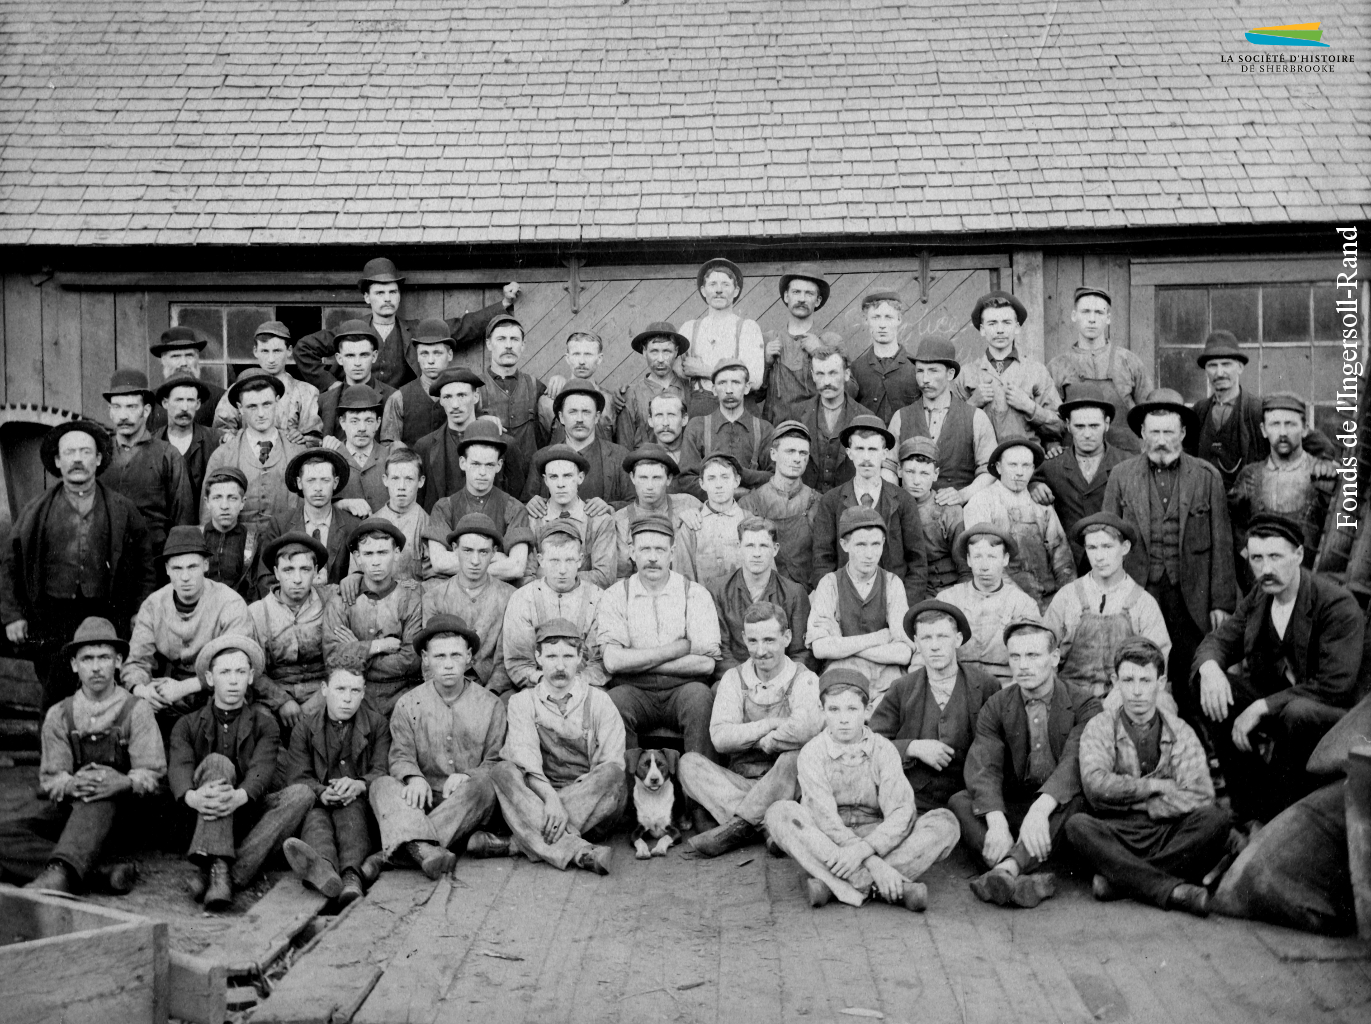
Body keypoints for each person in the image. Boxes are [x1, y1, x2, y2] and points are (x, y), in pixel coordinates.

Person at [1192, 514, 1364, 824]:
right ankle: (1249, 806)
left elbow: (1334, 686)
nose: (1266, 569)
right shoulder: (1261, 595)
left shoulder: (1336, 604)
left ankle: (1284, 813)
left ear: (1298, 555)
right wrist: (1210, 670)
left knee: (1297, 712)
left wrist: (1262, 705)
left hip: (1330, 716)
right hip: (1280, 706)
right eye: (1257, 558)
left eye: (1275, 556)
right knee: (1208, 686)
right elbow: (1219, 640)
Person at [764, 668, 961, 911]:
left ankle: (832, 885)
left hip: (876, 835)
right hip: (829, 841)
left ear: (866, 711)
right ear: (822, 711)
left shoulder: (883, 749)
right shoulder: (812, 753)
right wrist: (873, 863)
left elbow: (901, 812)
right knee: (778, 813)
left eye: (852, 709)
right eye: (834, 710)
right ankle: (886, 883)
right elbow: (824, 819)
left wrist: (865, 848)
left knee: (945, 823)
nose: (843, 719)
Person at [1066, 637, 1231, 918]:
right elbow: (1096, 786)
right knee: (1078, 825)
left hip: (1168, 831)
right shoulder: (1100, 727)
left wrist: (1145, 805)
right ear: (1115, 680)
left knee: (1216, 819)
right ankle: (1174, 890)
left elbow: (1201, 793)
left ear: (1161, 681)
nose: (1137, 691)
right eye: (1128, 680)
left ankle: (1120, 882)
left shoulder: (1181, 731)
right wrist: (1154, 786)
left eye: (1145, 680)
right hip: (1118, 831)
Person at [0, 618, 164, 893]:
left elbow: (153, 774)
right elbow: (52, 779)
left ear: (119, 661)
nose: (97, 667)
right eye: (87, 659)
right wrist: (72, 784)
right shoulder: (60, 714)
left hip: (122, 816)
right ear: (75, 665)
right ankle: (97, 873)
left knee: (99, 791)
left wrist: (122, 782)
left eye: (104, 657)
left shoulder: (137, 710)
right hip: (72, 810)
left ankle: (62, 873)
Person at [1102, 388, 1237, 724]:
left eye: (1168, 432)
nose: (1161, 440)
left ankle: (1200, 751)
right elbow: (1108, 538)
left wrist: (1221, 601)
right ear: (1142, 434)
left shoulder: (1206, 476)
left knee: (1192, 671)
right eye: (1154, 432)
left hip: (1191, 595)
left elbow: (1222, 542)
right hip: (1139, 591)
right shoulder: (1122, 476)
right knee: (1140, 669)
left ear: (1183, 433)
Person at [0, 420, 155, 707]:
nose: (77, 459)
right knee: (56, 694)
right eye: (69, 453)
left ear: (97, 459)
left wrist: (139, 611)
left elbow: (145, 566)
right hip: (51, 618)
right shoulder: (36, 511)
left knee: (105, 689)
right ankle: (55, 749)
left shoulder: (122, 510)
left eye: (85, 452)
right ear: (58, 461)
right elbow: (10, 563)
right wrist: (12, 616)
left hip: (106, 613)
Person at [951, 620, 1100, 908]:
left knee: (1077, 803)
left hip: (1055, 806)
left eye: (1033, 656)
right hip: (1015, 804)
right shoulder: (997, 704)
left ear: (1054, 659)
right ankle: (1025, 875)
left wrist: (1041, 809)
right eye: (1015, 657)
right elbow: (984, 764)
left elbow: (1074, 762)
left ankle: (1007, 870)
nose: (1023, 666)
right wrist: (995, 820)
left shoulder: (1085, 704)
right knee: (960, 800)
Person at [168, 634, 315, 909]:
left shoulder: (264, 725)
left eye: (240, 672)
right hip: (202, 812)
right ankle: (220, 872)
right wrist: (193, 798)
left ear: (250, 677)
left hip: (246, 811)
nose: (233, 680)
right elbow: (180, 767)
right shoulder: (187, 725)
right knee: (217, 763)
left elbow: (262, 769)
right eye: (225, 672)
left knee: (302, 794)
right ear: (211, 679)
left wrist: (240, 797)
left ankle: (223, 874)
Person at [679, 601, 823, 856]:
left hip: (787, 787)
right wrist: (769, 726)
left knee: (794, 758)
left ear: (786, 637)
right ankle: (766, 826)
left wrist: (771, 742)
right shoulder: (734, 679)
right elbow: (721, 738)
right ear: (744, 639)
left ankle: (738, 826)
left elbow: (807, 729)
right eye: (753, 641)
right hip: (742, 782)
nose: (761, 650)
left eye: (769, 640)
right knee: (688, 764)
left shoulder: (804, 678)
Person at [368, 614, 506, 879]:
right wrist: (413, 777)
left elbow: (496, 760)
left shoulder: (491, 705)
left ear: (469, 657)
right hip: (422, 800)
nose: (448, 665)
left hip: (465, 803)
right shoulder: (409, 704)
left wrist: (469, 775)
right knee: (381, 785)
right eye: (439, 657)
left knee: (484, 787)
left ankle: (400, 849)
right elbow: (400, 755)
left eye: (455, 656)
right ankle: (425, 849)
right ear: (426, 659)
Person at [489, 619, 625, 874]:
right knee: (502, 771)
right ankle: (579, 851)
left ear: (580, 658)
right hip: (542, 797)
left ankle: (520, 842)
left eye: (567, 656)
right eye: (551, 656)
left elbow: (610, 765)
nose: (560, 666)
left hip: (592, 810)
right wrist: (551, 799)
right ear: (538, 657)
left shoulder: (600, 702)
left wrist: (562, 805)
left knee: (613, 774)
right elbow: (526, 760)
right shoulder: (522, 702)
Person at [598, 513, 722, 774]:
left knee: (702, 700)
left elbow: (706, 663)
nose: (652, 557)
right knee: (613, 704)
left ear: (672, 552)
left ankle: (698, 801)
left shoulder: (694, 593)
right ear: (632, 551)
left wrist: (638, 660)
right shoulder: (616, 595)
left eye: (659, 550)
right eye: (644, 549)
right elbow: (613, 661)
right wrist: (675, 649)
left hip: (683, 688)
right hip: (634, 690)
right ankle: (628, 801)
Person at [293, 258, 517, 392]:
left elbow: (462, 326)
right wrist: (332, 384)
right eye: (380, 293)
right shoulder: (350, 331)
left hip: (400, 411)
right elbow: (303, 349)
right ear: (367, 298)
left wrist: (503, 304)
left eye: (392, 291)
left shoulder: (416, 330)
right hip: (357, 411)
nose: (387, 298)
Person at [121, 526, 254, 732]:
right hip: (166, 694)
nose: (185, 577)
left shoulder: (230, 603)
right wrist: (142, 689)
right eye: (177, 569)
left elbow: (234, 666)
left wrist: (184, 688)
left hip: (214, 693)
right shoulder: (153, 604)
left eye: (192, 567)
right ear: (166, 569)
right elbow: (136, 661)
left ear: (205, 565)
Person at [282, 659, 391, 905]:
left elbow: (382, 770)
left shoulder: (377, 725)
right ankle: (324, 870)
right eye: (340, 689)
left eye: (355, 691)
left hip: (359, 805)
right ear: (324, 689)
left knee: (350, 812)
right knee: (316, 818)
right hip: (320, 803)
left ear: (363, 693)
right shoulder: (305, 728)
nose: (347, 698)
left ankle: (352, 876)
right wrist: (320, 792)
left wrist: (360, 784)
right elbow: (297, 777)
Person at [869, 601, 993, 813]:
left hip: (969, 799)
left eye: (942, 636)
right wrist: (912, 747)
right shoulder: (902, 689)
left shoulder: (984, 686)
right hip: (912, 799)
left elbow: (997, 747)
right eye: (926, 638)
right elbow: (871, 742)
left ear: (958, 639)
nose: (934, 646)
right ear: (916, 642)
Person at [1044, 513, 1171, 707]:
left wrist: (1122, 693)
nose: (1099, 556)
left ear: (1125, 548)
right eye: (1092, 548)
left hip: (1124, 701)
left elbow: (1156, 665)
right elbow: (1044, 652)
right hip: (1068, 701)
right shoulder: (1067, 597)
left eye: (1107, 547)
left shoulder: (1144, 604)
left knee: (1164, 704)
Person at [807, 506, 918, 712]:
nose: (869, 554)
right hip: (842, 675)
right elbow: (821, 649)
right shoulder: (830, 583)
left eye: (876, 544)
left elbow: (903, 653)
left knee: (890, 718)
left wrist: (841, 644)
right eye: (861, 544)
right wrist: (879, 637)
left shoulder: (892, 583)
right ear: (844, 544)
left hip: (887, 677)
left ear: (884, 543)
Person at [811, 415, 928, 602]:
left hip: (893, 600)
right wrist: (836, 603)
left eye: (873, 449)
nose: (866, 458)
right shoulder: (831, 501)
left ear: (885, 453)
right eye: (860, 449)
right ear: (849, 453)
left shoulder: (903, 501)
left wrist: (902, 606)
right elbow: (822, 561)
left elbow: (917, 563)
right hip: (845, 601)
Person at [1227, 392, 1337, 588]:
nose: (1283, 432)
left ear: (1304, 429)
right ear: (1263, 430)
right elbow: (1231, 521)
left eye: (1290, 424)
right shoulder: (1250, 475)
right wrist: (1246, 552)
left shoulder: (1322, 474)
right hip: (1260, 585)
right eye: (1275, 424)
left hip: (1310, 585)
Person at [323, 518, 422, 716]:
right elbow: (332, 657)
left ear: (396, 554)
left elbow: (411, 660)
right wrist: (375, 647)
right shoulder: (342, 600)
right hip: (354, 694)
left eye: (383, 552)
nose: (376, 561)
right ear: (357, 558)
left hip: (399, 695)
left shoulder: (411, 599)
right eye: (368, 554)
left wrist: (355, 649)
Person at [962, 438, 1076, 610]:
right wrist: (1020, 603)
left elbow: (1061, 555)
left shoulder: (1041, 505)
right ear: (999, 468)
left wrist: (1066, 599)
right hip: (1002, 601)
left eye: (1025, 466)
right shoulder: (981, 503)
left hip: (1048, 599)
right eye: (1013, 465)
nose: (1019, 472)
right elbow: (986, 561)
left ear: (1032, 469)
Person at [1028, 383, 1130, 572]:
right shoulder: (1052, 466)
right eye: (1079, 426)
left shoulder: (1127, 465)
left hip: (1115, 564)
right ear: (1067, 425)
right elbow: (1028, 482)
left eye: (1094, 426)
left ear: (1107, 424)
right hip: (1069, 566)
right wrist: (1033, 486)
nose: (1087, 434)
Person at [101, 368, 196, 565]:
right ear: (110, 411)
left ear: (146, 411)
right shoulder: (98, 454)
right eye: (117, 407)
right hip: (105, 561)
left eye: (131, 407)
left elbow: (182, 519)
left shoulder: (168, 455)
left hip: (153, 562)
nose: (123, 415)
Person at [888, 337, 996, 506]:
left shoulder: (976, 418)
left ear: (950, 373)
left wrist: (962, 495)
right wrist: (899, 503)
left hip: (960, 514)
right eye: (920, 371)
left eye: (933, 371)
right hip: (911, 515)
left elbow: (989, 471)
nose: (925, 379)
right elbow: (889, 468)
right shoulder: (901, 417)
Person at [502, 520, 608, 692]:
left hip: (586, 687)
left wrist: (575, 684)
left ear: (580, 560)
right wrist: (544, 680)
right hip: (536, 685)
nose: (562, 570)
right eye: (554, 561)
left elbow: (599, 662)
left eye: (569, 560)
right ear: (541, 560)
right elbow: (518, 662)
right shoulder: (522, 598)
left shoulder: (599, 599)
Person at [200, 369, 310, 534]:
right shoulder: (223, 455)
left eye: (266, 404)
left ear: (278, 402)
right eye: (252, 406)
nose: (261, 414)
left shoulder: (297, 450)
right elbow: (208, 515)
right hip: (237, 547)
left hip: (286, 545)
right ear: (240, 408)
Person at [424, 419, 533, 584]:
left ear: (499, 465)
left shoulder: (514, 508)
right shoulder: (444, 507)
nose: (482, 472)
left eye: (489, 465)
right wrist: (496, 558)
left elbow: (516, 567)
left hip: (498, 595)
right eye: (475, 464)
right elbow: (440, 563)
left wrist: (460, 559)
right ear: (463, 463)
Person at [1047, 287, 1152, 455]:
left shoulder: (1129, 362)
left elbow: (1150, 414)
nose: (1092, 319)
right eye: (1086, 312)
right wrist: (1052, 447)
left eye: (1099, 312)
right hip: (1076, 461)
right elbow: (1051, 420)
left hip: (1126, 459)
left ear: (1108, 318)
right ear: (1074, 316)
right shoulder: (1058, 366)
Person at [935, 526, 1041, 686]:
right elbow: (927, 653)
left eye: (992, 556)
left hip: (1004, 687)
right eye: (977, 557)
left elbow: (1033, 661)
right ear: (969, 560)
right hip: (955, 685)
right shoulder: (948, 599)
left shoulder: (1023, 604)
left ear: (1005, 559)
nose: (984, 566)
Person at [424, 514, 516, 698]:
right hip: (445, 691)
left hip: (493, 691)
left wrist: (488, 695)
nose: (475, 561)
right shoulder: (434, 597)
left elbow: (505, 659)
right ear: (455, 549)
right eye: (467, 550)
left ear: (493, 552)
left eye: (483, 552)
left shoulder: (510, 596)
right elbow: (429, 661)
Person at [707, 517, 812, 678]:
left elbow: (801, 653)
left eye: (763, 546)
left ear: (775, 549)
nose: (757, 554)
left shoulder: (794, 593)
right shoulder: (718, 590)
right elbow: (722, 652)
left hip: (782, 680)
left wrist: (779, 681)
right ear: (739, 548)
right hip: (735, 679)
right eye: (750, 546)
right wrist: (748, 680)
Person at [248, 532, 331, 730]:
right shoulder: (258, 612)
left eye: (305, 569)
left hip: (323, 691)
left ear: (316, 571)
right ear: (276, 573)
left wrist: (320, 699)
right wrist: (281, 701)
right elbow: (253, 669)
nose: (297, 579)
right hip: (275, 694)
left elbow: (342, 658)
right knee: (260, 721)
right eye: (288, 570)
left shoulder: (330, 604)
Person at [959, 291, 1063, 447]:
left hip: (1025, 462)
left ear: (1017, 327)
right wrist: (973, 403)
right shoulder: (966, 374)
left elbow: (1059, 427)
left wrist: (1029, 407)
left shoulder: (1036, 372)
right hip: (979, 463)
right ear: (982, 329)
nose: (1000, 330)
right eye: (992, 323)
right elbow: (948, 428)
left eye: (1006, 322)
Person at [253, 450, 362, 596]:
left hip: (337, 608)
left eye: (325, 480)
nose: (318, 488)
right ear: (299, 483)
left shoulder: (352, 526)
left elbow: (361, 575)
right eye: (311, 480)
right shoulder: (280, 525)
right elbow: (265, 578)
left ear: (335, 483)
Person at [738, 420, 822, 586]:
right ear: (773, 454)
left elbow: (824, 558)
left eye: (803, 453)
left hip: (806, 597)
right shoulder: (750, 504)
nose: (797, 459)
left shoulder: (819, 503)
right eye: (790, 451)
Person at [524, 380, 633, 508]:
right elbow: (526, 504)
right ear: (562, 417)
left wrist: (611, 507)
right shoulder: (540, 458)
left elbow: (634, 503)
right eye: (573, 412)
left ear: (597, 417)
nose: (579, 419)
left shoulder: (619, 456)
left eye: (586, 412)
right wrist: (531, 505)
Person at [677, 257, 765, 413]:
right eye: (712, 284)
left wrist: (704, 371)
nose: (719, 290)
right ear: (704, 291)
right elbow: (678, 371)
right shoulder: (689, 328)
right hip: (701, 408)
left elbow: (755, 380)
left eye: (725, 284)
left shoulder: (748, 328)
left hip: (740, 408)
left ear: (735, 291)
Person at [212, 321, 322, 443]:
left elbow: (315, 439)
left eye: (277, 351)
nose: (271, 359)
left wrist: (302, 440)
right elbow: (220, 430)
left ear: (289, 351)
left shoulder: (306, 392)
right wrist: (230, 437)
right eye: (265, 351)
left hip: (291, 459)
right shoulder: (237, 390)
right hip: (247, 458)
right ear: (255, 351)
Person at [762, 265, 847, 423]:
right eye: (796, 292)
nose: (802, 299)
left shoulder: (831, 341)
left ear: (817, 300)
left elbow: (851, 390)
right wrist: (766, 363)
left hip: (816, 429)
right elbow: (755, 394)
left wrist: (821, 352)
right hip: (776, 430)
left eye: (809, 293)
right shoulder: (770, 339)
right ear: (787, 297)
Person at [523, 445, 617, 589]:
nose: (561, 484)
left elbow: (604, 577)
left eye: (567, 476)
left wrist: (547, 574)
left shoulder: (600, 520)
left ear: (580, 477)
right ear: (545, 480)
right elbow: (526, 578)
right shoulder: (533, 519)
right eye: (554, 477)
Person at [677, 360, 775, 496]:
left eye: (736, 382)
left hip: (753, 510)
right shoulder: (697, 427)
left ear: (747, 388)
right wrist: (728, 494)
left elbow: (775, 476)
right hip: (708, 511)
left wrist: (744, 475)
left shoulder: (765, 430)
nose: (729, 390)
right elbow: (686, 479)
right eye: (722, 383)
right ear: (713, 389)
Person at [789, 348, 876, 494]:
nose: (826, 381)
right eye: (820, 374)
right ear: (813, 376)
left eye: (833, 373)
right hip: (806, 503)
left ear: (847, 374)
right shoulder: (796, 414)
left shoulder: (866, 417)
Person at [611, 445, 701, 581]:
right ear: (632, 478)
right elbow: (621, 576)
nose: (649, 486)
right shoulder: (621, 520)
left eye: (657, 478)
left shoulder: (688, 504)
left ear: (669, 479)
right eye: (643, 477)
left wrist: (695, 517)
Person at [482, 314, 545, 496]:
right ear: (488, 344)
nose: (508, 345)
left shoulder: (535, 386)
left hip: (529, 488)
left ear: (523, 346)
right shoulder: (474, 387)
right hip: (490, 485)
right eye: (501, 339)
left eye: (514, 339)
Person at [412, 366, 491, 510]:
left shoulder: (502, 443)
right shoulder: (424, 446)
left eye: (462, 395)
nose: (455, 405)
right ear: (441, 401)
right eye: (447, 397)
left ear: (476, 396)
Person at [897, 437, 966, 591]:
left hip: (944, 589)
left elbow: (965, 568)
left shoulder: (949, 510)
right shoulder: (890, 506)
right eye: (910, 471)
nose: (916, 481)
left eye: (924, 473)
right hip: (904, 588)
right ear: (899, 471)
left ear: (935, 474)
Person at [380, 318, 457, 448]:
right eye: (424, 353)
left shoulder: (463, 394)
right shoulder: (399, 398)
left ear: (449, 355)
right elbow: (389, 447)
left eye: (437, 353)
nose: (430, 360)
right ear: (417, 355)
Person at [616, 322, 692, 451]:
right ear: (644, 352)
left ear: (676, 352)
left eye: (667, 351)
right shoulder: (631, 394)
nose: (661, 359)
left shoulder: (689, 390)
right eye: (654, 351)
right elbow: (624, 446)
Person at [679, 451, 750, 588]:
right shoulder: (692, 525)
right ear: (702, 483)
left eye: (725, 477)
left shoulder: (748, 522)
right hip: (703, 603)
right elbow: (683, 576)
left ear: (736, 481)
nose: (719, 485)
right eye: (711, 478)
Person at [318, 322, 398, 442]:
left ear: (374, 356)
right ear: (339, 359)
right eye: (350, 356)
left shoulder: (392, 397)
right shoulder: (324, 400)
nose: (357, 363)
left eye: (364, 355)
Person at [153, 371, 220, 514]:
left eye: (190, 400)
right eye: (178, 400)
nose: (184, 407)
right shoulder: (152, 443)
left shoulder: (215, 440)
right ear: (165, 403)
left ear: (198, 404)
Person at [849, 291, 922, 422]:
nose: (882, 325)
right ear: (866, 320)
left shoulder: (915, 368)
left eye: (888, 317)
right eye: (876, 317)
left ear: (899, 319)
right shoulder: (855, 369)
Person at [362, 448, 431, 583]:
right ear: (385, 480)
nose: (401, 486)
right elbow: (358, 572)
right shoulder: (369, 525)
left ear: (421, 481)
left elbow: (434, 579)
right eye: (395, 478)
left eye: (409, 479)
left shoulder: (428, 525)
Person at [539, 331, 618, 444]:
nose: (582, 361)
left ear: (599, 358)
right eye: (576, 354)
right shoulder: (548, 402)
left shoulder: (611, 401)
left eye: (588, 354)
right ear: (567, 358)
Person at [328, 384, 392, 515]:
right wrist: (342, 504)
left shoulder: (390, 457)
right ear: (342, 422)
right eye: (354, 421)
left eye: (368, 421)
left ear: (378, 423)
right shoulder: (331, 458)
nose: (362, 428)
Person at [147, 325, 226, 432]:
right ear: (163, 360)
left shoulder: (219, 398)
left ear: (197, 358)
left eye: (189, 355)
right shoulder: (150, 402)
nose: (183, 363)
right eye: (176, 356)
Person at [201, 467, 258, 601]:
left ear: (242, 503)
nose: (224, 506)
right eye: (217, 498)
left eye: (232, 498)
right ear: (207, 502)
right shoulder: (196, 537)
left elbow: (255, 592)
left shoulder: (252, 541)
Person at [646, 391, 690, 469]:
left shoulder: (696, 456)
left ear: (684, 419)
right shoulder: (643, 459)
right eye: (659, 415)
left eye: (671, 415)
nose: (665, 423)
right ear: (650, 420)